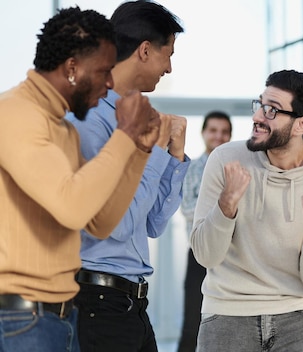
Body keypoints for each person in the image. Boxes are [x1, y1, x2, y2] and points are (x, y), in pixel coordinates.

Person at [0, 6, 160, 352]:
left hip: (60, 317)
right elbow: (71, 208)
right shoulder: (16, 114)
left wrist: (140, 152)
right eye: (104, 71)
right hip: (19, 321)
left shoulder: (62, 129)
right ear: (72, 68)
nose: (108, 83)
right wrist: (125, 133)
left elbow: (99, 221)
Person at [190, 69, 303, 352]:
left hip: (299, 312)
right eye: (259, 105)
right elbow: (206, 255)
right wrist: (226, 204)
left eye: (271, 110)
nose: (257, 117)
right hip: (228, 309)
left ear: (301, 124)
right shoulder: (225, 159)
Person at [65, 1, 188, 351]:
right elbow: (114, 225)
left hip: (129, 304)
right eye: (169, 54)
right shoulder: (87, 121)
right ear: (146, 51)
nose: (169, 68)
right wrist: (156, 150)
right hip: (96, 302)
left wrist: (173, 156)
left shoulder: (136, 119)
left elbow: (152, 224)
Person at [177, 110, 232, 352]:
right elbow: (188, 209)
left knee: (231, 323)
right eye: (213, 130)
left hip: (232, 257)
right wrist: (226, 203)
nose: (218, 136)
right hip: (199, 255)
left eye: (224, 132)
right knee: (192, 323)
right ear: (203, 133)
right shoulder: (192, 168)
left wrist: (210, 203)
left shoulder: (237, 169)